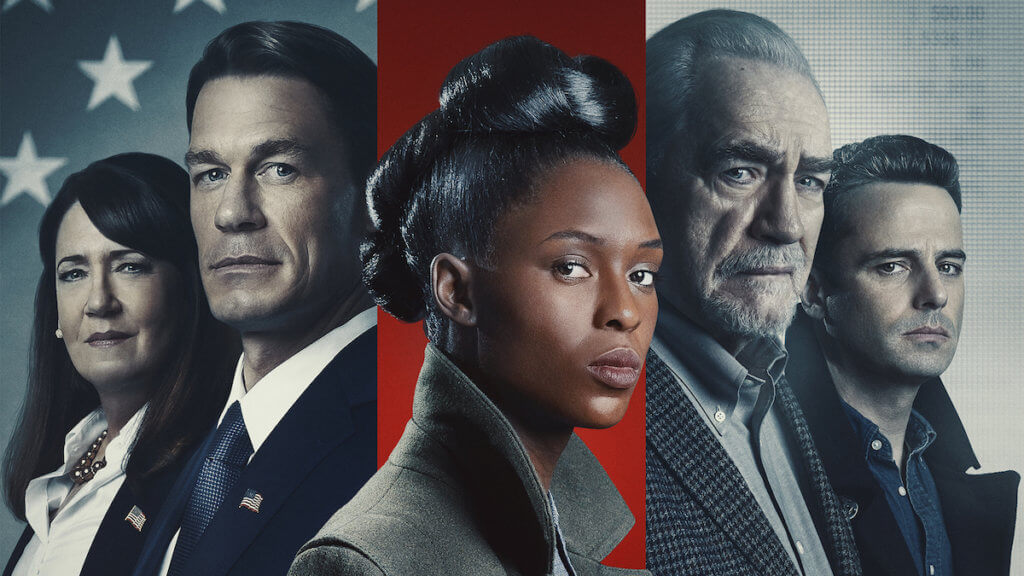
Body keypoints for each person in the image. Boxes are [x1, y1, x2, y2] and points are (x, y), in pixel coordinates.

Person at [289, 36, 660, 576]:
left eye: (642, 274)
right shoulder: (371, 562)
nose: (625, 312)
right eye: (572, 267)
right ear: (457, 291)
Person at [129, 21, 378, 576]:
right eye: (211, 173)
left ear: (371, 197)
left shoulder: (413, 437)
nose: (231, 212)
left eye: (279, 168)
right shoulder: (181, 437)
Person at [644, 9, 861, 576]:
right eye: (740, 171)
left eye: (810, 180)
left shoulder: (793, 387)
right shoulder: (582, 428)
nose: (787, 224)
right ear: (640, 180)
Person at [787, 135, 1019, 576]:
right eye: (893, 266)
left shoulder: (943, 472)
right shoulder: (770, 463)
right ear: (815, 291)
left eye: (949, 266)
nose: (934, 295)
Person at [2, 153, 237, 576]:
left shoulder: (221, 472)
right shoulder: (67, 469)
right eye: (73, 274)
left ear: (189, 291)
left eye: (130, 267)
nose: (98, 302)